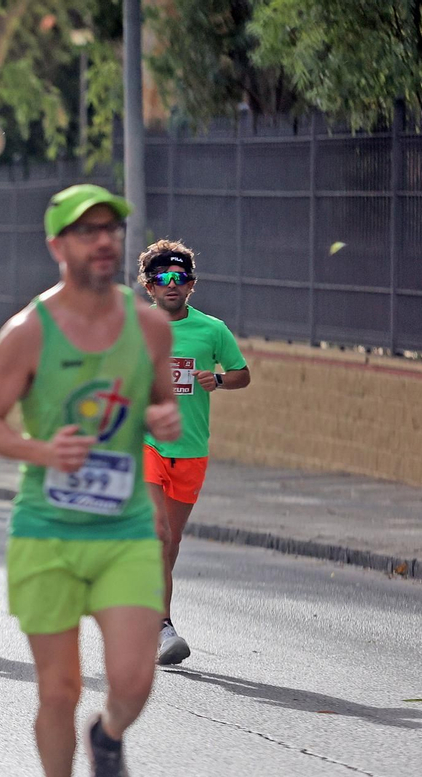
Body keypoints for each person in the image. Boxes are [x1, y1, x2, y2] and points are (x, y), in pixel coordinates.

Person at [0, 185, 181, 777]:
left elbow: (153, 399)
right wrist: (41, 452)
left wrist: (162, 418)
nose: (104, 241)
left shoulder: (149, 327)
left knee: (135, 678)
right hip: (47, 531)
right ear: (57, 247)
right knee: (57, 688)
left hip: (124, 530)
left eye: (111, 229)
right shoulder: (29, 331)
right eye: (87, 231)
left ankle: (108, 737)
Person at [137, 240, 251, 665]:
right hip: (146, 443)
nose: (172, 284)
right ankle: (162, 628)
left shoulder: (212, 329)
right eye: (162, 278)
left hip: (191, 448)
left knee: (171, 543)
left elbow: (242, 374)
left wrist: (218, 380)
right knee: (157, 534)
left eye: (180, 277)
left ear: (192, 285)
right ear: (148, 286)